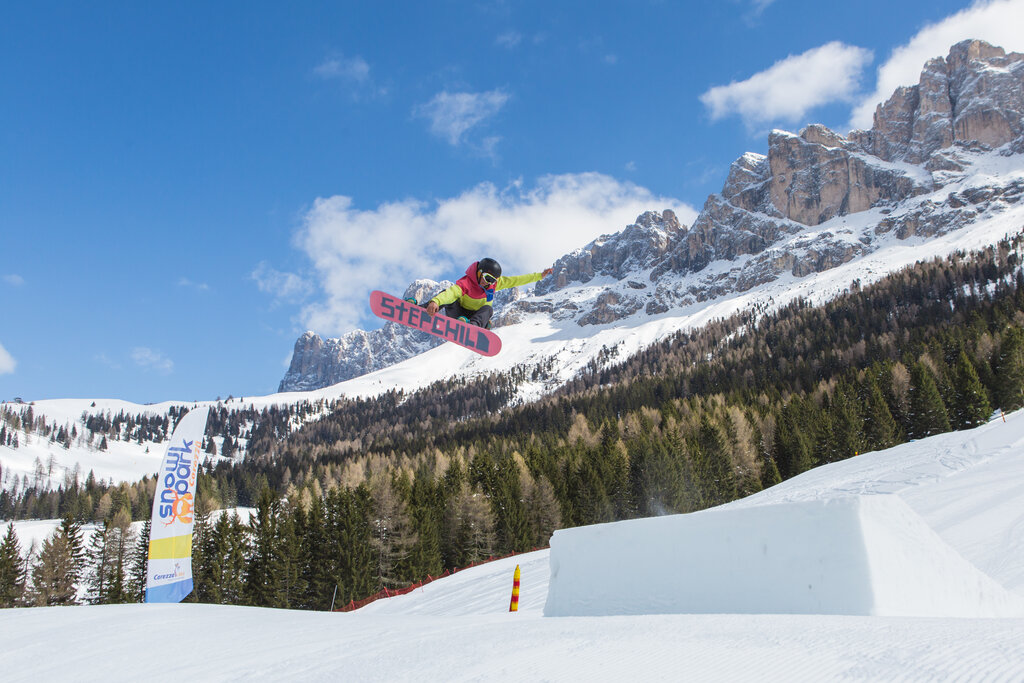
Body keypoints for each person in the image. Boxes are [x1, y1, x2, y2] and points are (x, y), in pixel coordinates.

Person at [420, 257, 553, 329]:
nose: (488, 283)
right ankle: (424, 308)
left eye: (493, 280)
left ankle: (473, 327)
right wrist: (435, 301)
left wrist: (540, 276)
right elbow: (451, 293)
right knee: (447, 295)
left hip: (475, 318)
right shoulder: (467, 283)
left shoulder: (494, 285)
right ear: (479, 273)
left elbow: (517, 280)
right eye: (487, 278)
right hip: (458, 313)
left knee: (488, 309)